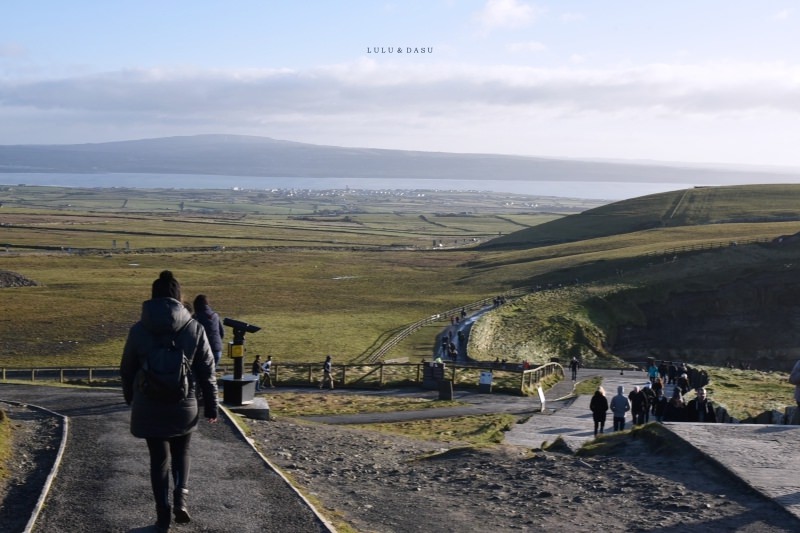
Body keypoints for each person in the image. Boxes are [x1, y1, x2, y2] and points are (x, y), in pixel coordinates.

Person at [120, 270, 219, 533]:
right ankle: (180, 500)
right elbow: (208, 371)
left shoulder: (139, 329)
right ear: (178, 298)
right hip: (184, 404)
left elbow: (127, 368)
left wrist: (131, 398)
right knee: (182, 451)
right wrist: (212, 405)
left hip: (149, 404)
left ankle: (162, 517)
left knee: (158, 460)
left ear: (152, 298)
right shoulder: (195, 328)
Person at [192, 294, 224, 368]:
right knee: (211, 373)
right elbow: (221, 333)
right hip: (217, 349)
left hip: (203, 350)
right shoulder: (215, 315)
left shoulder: (196, 317)